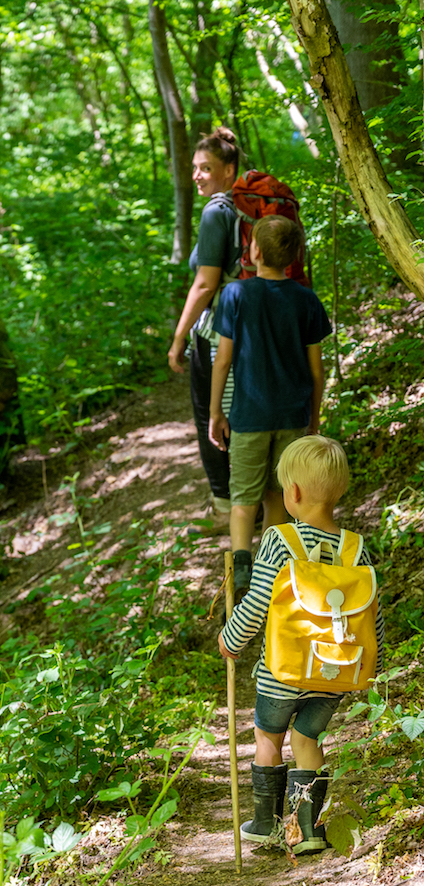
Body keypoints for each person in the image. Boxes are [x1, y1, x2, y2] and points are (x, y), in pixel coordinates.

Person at [218, 436, 384, 854]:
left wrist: (231, 638)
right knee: (307, 741)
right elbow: (370, 616)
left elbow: (257, 603)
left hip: (284, 669)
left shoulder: (280, 540)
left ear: (291, 493)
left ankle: (265, 823)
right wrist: (369, 664)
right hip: (335, 670)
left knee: (268, 737)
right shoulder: (355, 547)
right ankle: (306, 831)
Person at [208, 214, 331, 591]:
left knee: (243, 499)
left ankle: (240, 570)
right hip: (292, 416)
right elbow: (315, 372)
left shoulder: (235, 295)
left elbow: (224, 360)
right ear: (294, 256)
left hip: (248, 416)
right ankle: (271, 572)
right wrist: (313, 420)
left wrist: (215, 412)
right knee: (278, 494)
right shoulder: (306, 299)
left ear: (254, 250)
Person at [168, 127, 243, 527]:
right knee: (240, 412)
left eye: (207, 168)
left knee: (210, 417)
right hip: (252, 324)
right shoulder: (246, 208)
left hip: (216, 330)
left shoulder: (217, 211)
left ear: (229, 170)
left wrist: (179, 338)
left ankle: (226, 505)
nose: (198, 175)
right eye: (195, 168)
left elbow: (205, 283)